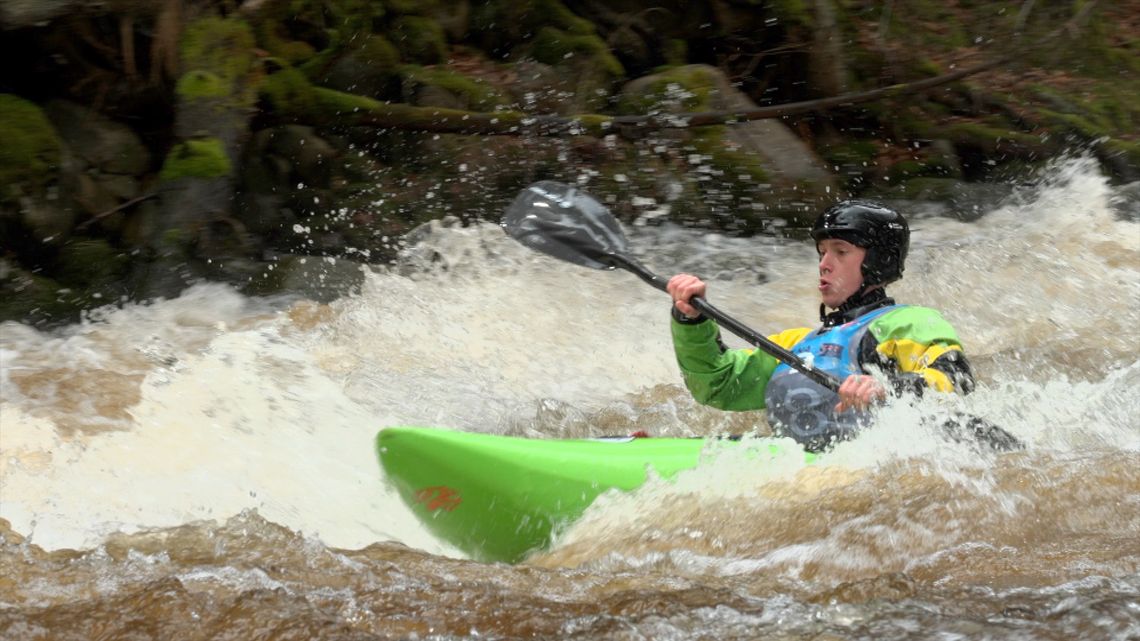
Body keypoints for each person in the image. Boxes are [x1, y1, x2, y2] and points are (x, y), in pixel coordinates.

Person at [666, 201, 976, 451]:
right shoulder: (796, 343)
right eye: (822, 252)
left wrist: (889, 388)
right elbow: (719, 385)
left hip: (882, 463)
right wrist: (691, 321)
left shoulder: (908, 323)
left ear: (878, 261)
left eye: (840, 252)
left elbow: (957, 379)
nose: (824, 263)